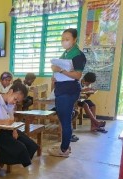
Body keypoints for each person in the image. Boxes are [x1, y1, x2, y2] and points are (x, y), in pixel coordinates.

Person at [0, 81, 38, 175]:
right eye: (15, 99)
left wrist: (14, 130)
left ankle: (2, 159)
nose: (15, 102)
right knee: (21, 148)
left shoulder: (11, 104)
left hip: (7, 129)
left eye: (17, 101)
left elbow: (11, 119)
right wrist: (3, 122)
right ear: (10, 91)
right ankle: (0, 159)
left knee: (31, 145)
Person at [49, 28, 86, 157]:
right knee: (64, 119)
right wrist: (55, 76)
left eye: (67, 39)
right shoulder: (66, 53)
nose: (64, 42)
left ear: (74, 39)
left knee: (65, 121)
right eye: (62, 39)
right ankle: (66, 146)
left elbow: (77, 75)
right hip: (61, 89)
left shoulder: (78, 55)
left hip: (68, 91)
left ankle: (64, 149)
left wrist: (60, 71)